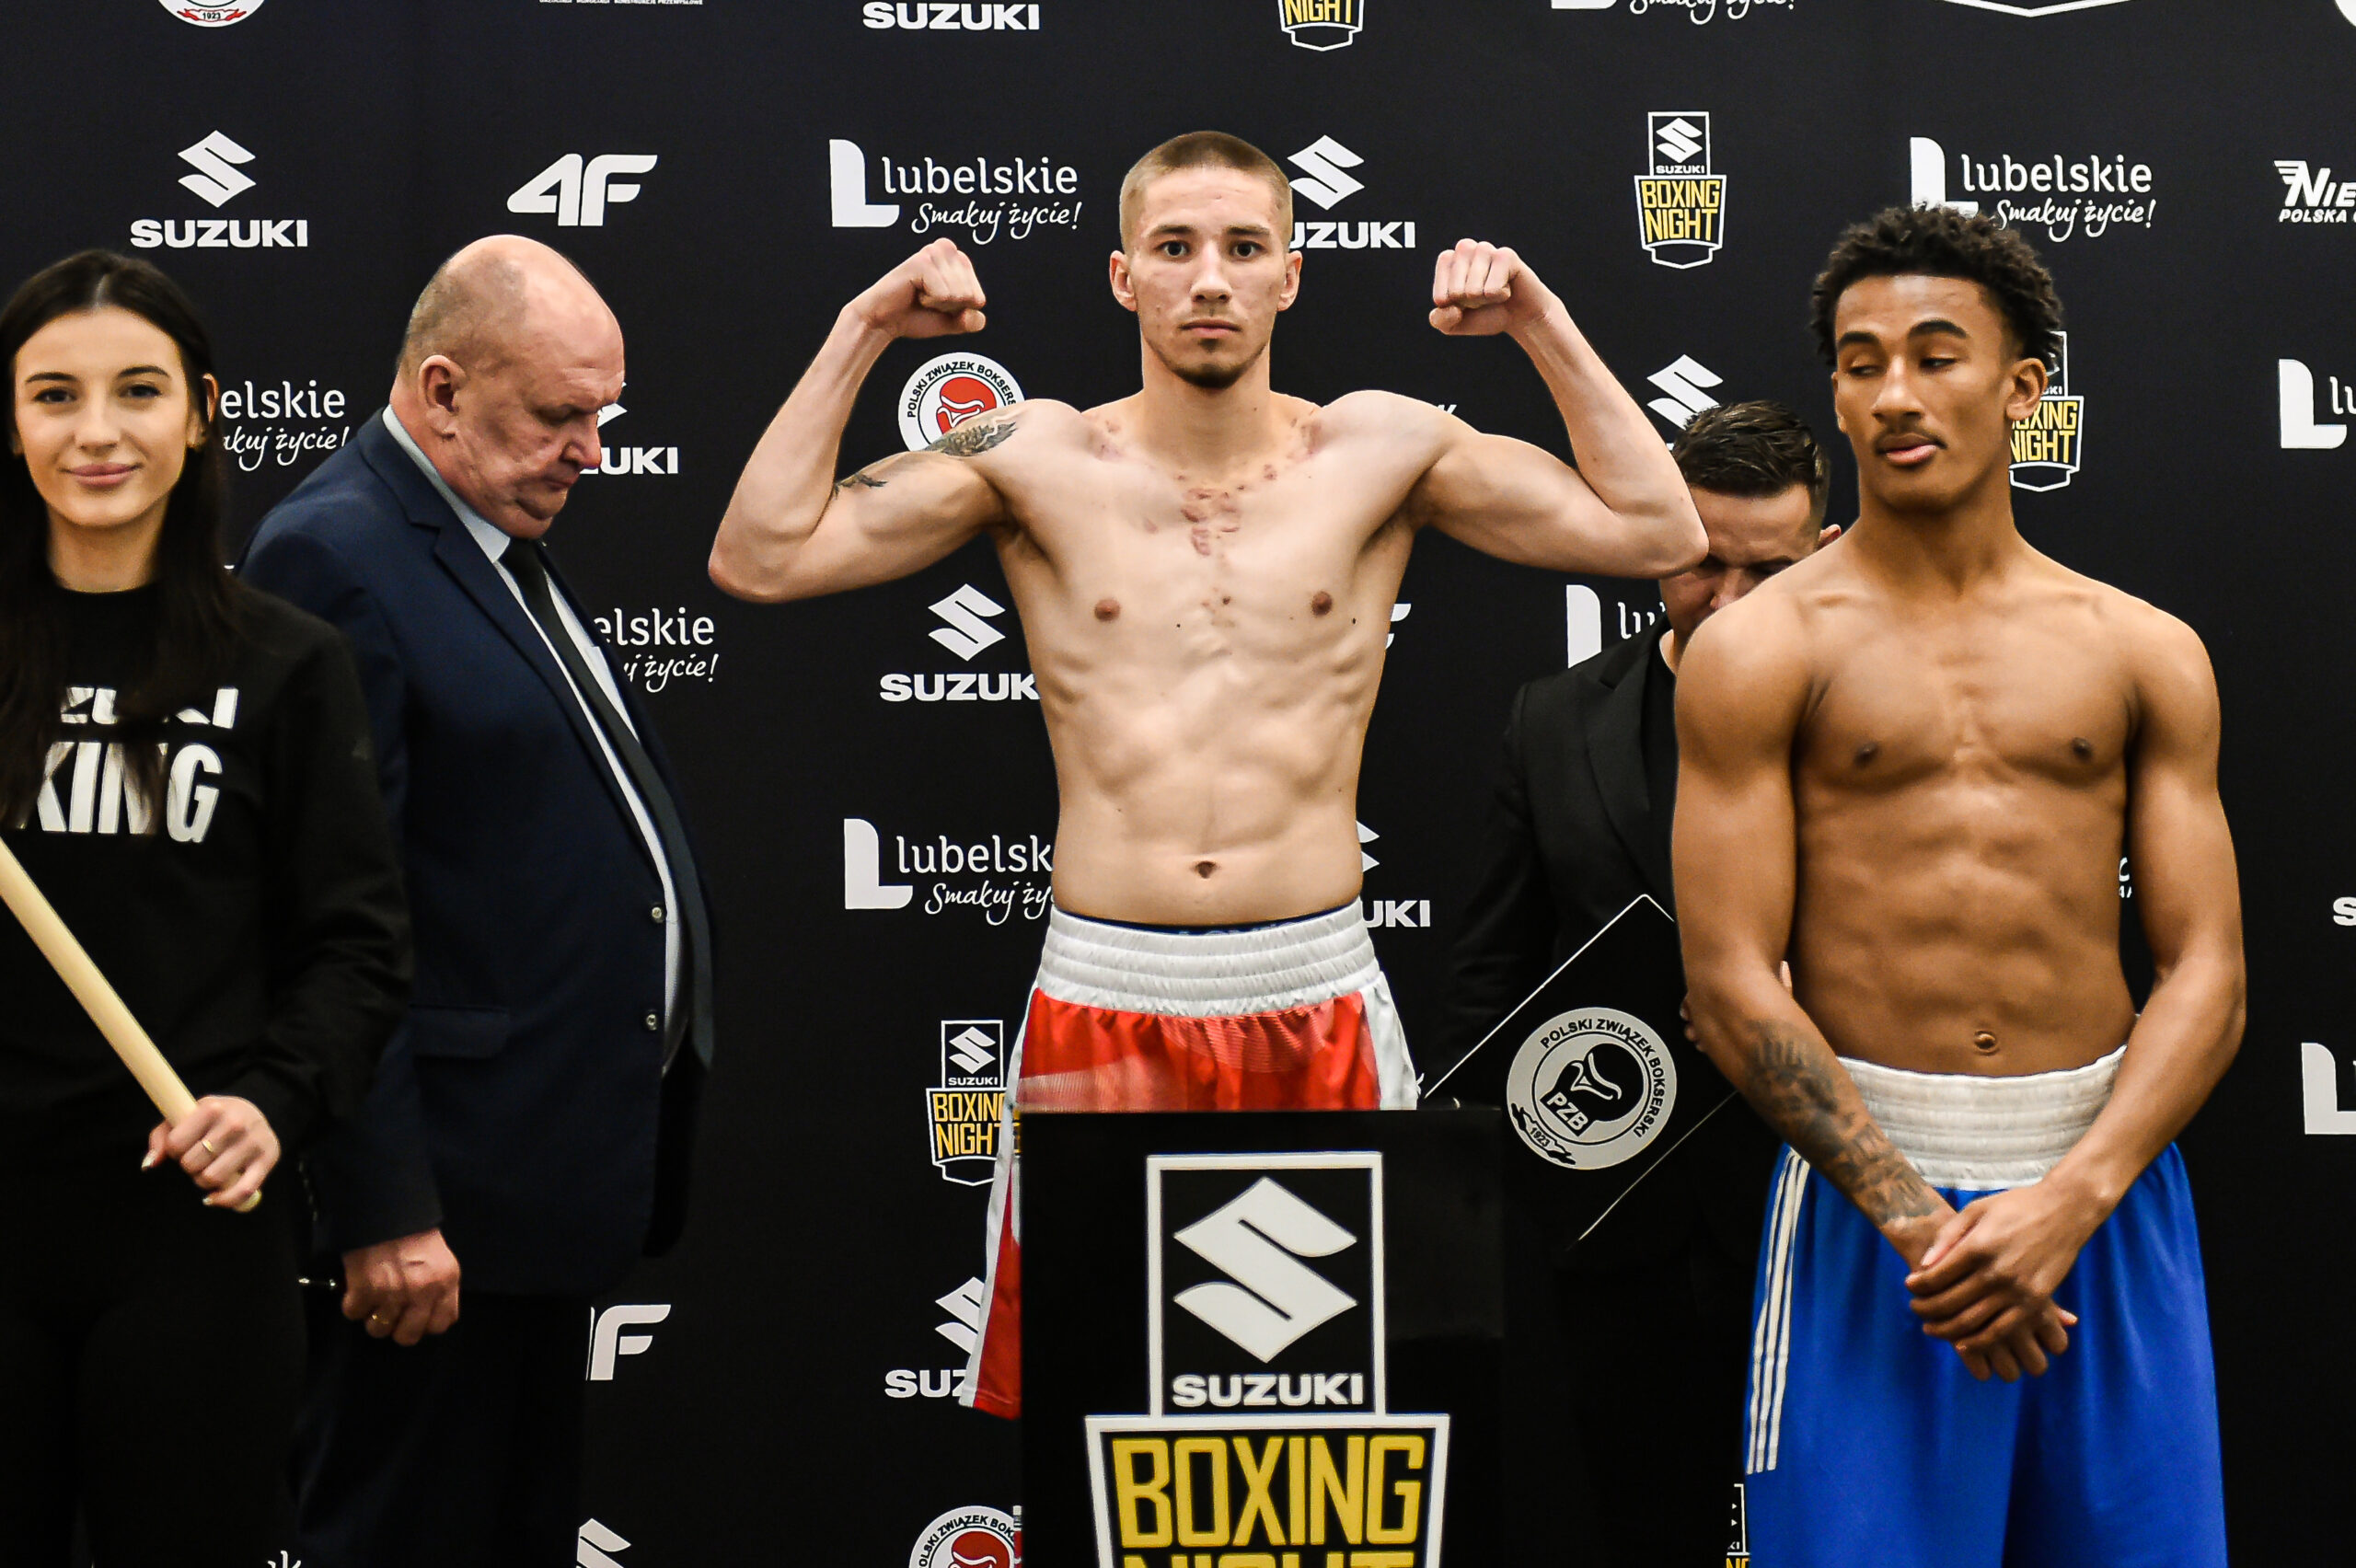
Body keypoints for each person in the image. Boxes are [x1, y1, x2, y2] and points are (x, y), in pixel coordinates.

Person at [710, 129, 1704, 1418]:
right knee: (1097, 1416)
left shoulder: (1380, 451)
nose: (1211, 280)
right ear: (1123, 277)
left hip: (1316, 990)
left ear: (1292, 274)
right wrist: (861, 330)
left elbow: (1656, 530)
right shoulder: (1034, 458)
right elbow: (762, 555)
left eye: (1244, 248)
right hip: (1103, 997)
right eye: (1175, 249)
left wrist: (1539, 323)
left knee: (1346, 1425)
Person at [1676, 205, 2243, 1568]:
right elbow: (1731, 986)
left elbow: (2209, 974)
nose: (1894, 395)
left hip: (2104, 1193)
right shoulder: (1759, 650)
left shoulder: (2143, 649)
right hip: (1873, 1212)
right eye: (1860, 364)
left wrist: (2071, 1200)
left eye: (1935, 356)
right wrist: (1926, 1232)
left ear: (2022, 386)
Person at [238, 236, 716, 1568]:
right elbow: (324, 922)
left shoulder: (485, 539)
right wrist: (383, 1206)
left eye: (604, 416)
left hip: (524, 1197)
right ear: (443, 391)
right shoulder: (337, 552)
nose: (591, 452)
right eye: (558, 415)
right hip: (433, 1217)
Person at [0, 250, 409, 1568]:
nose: (97, 432)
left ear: (200, 412)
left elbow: (357, 948)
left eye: (138, 390)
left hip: (193, 1231)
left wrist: (274, 1104)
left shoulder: (288, 663)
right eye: (54, 395)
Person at [1438, 398, 1838, 1568]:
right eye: (1701, 564)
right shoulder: (1554, 721)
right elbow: (1490, 982)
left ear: (1825, 551)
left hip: (1824, 1208)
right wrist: (1517, 1204)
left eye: (1769, 571)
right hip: (1617, 1233)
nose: (1729, 602)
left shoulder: (1885, 721)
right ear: (1656, 543)